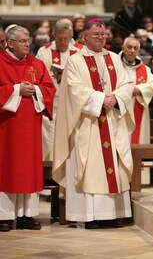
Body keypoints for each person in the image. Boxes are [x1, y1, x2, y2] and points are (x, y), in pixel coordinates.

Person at [52, 19, 135, 229]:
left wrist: (115, 98)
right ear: (85, 36)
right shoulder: (75, 61)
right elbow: (74, 89)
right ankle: (91, 216)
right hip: (88, 123)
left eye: (103, 34)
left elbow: (126, 84)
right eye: (96, 34)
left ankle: (115, 214)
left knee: (114, 166)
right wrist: (100, 100)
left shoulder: (115, 58)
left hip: (112, 121)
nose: (101, 37)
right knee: (90, 166)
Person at [0, 26, 56, 232]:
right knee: (7, 169)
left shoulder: (37, 64)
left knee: (29, 170)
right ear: (10, 43)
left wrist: (37, 91)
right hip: (6, 127)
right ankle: (4, 216)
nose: (27, 44)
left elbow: (50, 89)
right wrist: (16, 89)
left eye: (27, 40)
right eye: (22, 41)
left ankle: (27, 215)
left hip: (31, 127)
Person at [36, 21, 82, 162]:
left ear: (71, 36)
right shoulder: (44, 51)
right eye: (59, 38)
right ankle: (48, 173)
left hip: (72, 104)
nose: (62, 42)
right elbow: (38, 76)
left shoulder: (80, 51)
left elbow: (85, 78)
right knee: (49, 140)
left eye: (66, 39)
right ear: (53, 35)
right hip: (52, 104)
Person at [120, 37, 153, 144]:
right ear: (123, 48)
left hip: (138, 107)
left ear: (138, 51)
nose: (132, 50)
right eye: (129, 47)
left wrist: (139, 89)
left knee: (138, 138)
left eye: (135, 48)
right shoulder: (115, 65)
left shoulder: (145, 69)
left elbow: (152, 86)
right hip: (120, 109)